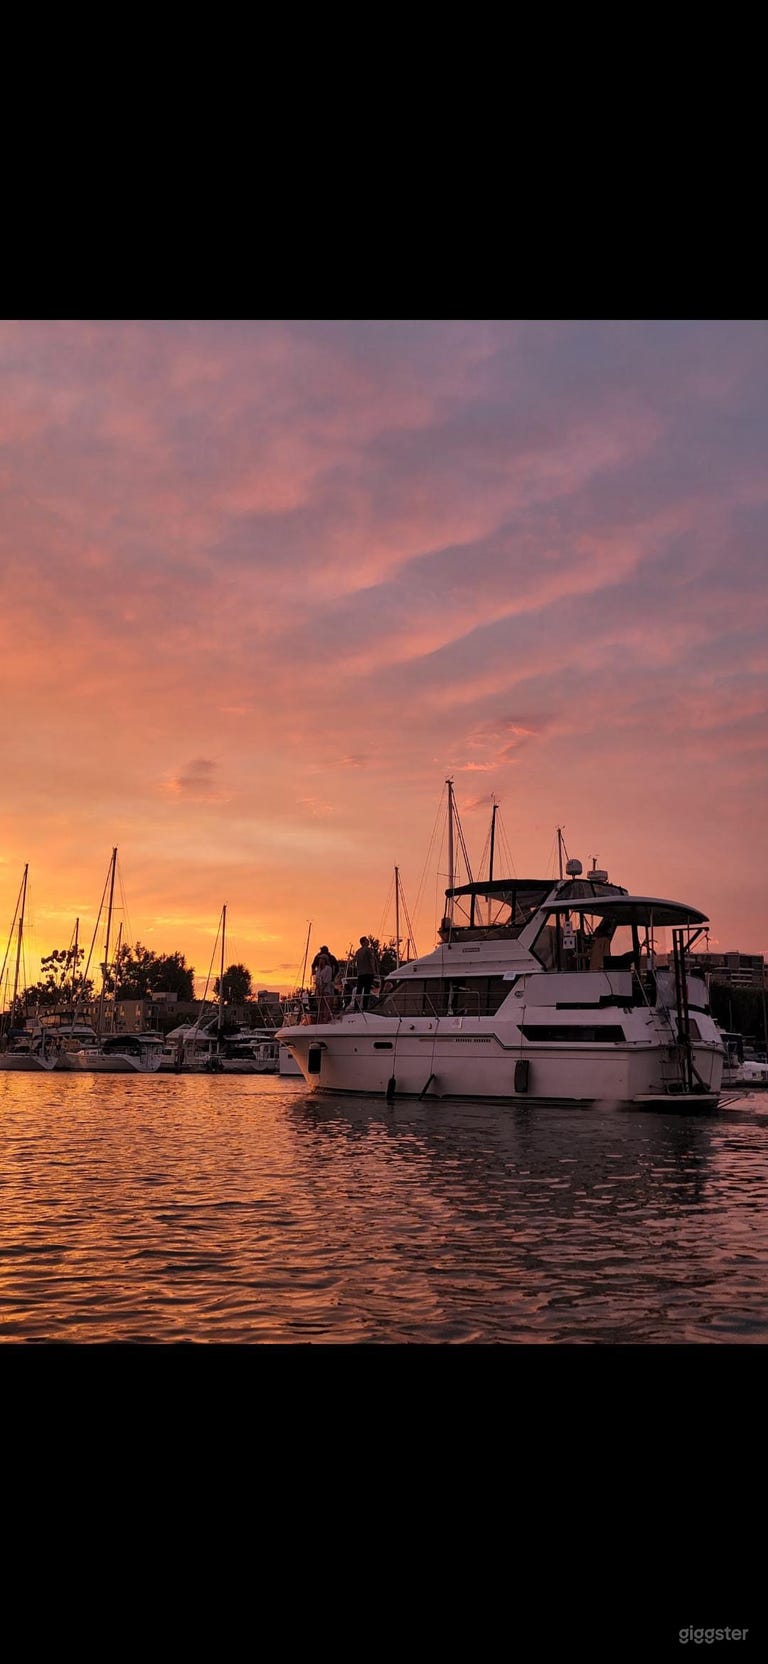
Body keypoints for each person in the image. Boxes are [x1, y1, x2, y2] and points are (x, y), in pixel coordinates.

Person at [353, 936, 378, 1011]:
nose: (368, 942)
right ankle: (365, 1007)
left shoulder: (358, 952)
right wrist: (374, 971)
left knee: (359, 991)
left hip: (360, 974)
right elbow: (371, 961)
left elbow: (356, 962)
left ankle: (356, 1006)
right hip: (368, 973)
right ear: (363, 942)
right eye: (367, 940)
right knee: (367, 991)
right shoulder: (368, 950)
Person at [313, 953, 336, 1023]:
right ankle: (319, 1020)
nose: (320, 960)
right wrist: (318, 988)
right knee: (320, 1006)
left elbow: (327, 979)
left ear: (325, 960)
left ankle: (326, 1019)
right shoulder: (318, 970)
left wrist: (322, 988)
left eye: (321, 959)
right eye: (319, 959)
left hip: (326, 990)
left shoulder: (328, 969)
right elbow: (316, 979)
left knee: (326, 1005)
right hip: (319, 990)